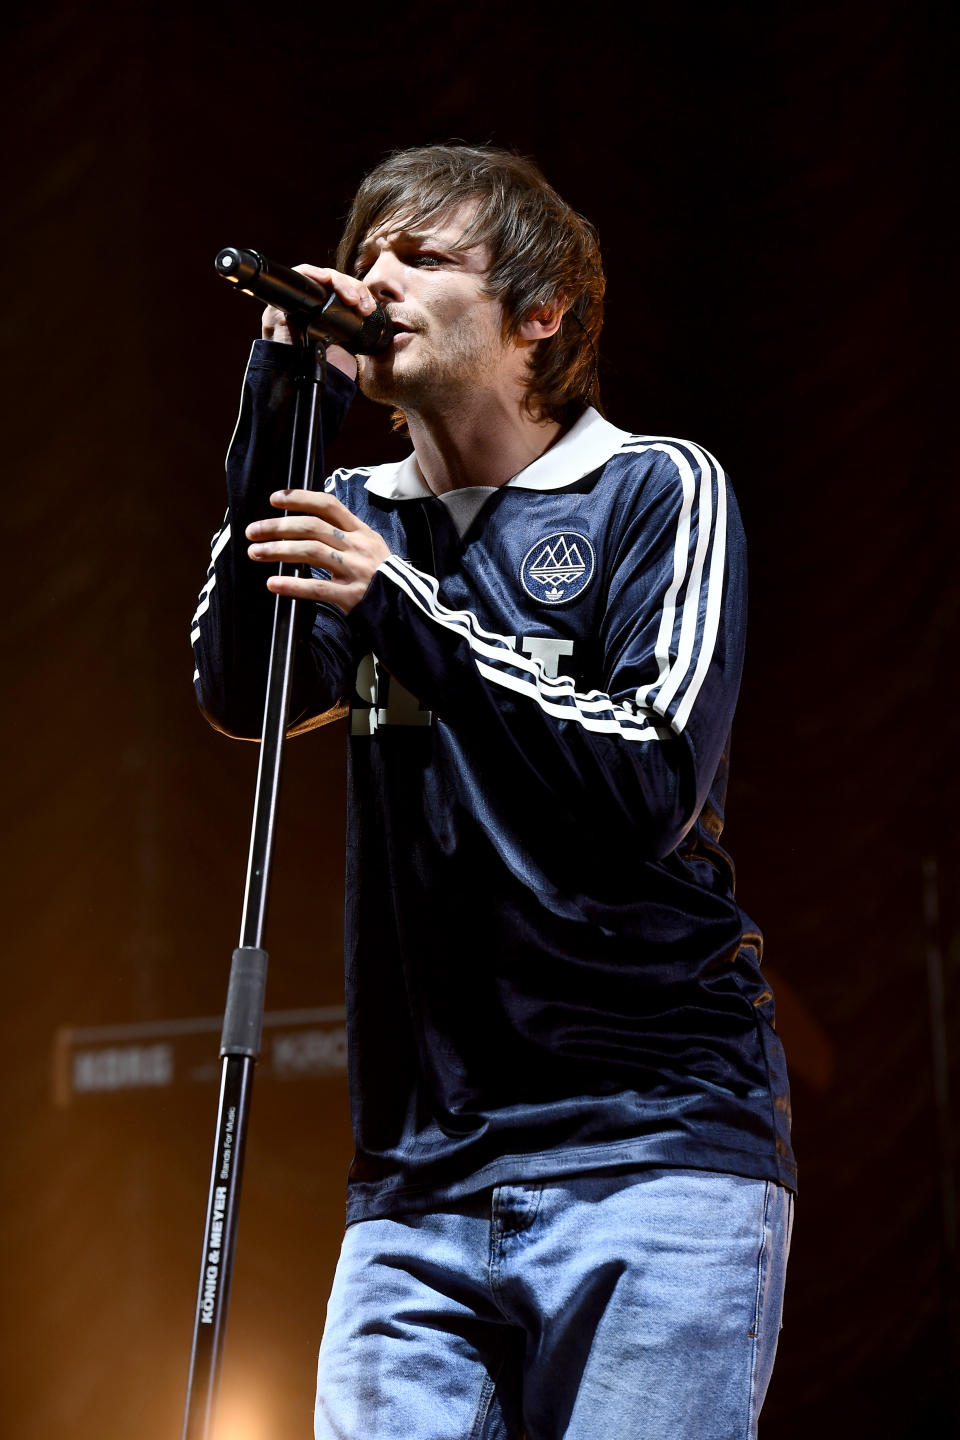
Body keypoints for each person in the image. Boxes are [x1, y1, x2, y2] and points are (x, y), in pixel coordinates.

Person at [192, 143, 795, 1440]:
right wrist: (274, 411)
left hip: (655, 1156)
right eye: (367, 254)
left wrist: (408, 609)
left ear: (541, 312)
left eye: (423, 254)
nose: (376, 277)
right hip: (416, 1188)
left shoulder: (657, 491)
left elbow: (645, 777)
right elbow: (242, 688)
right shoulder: (359, 513)